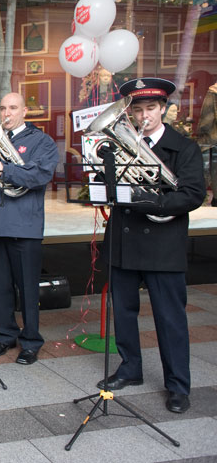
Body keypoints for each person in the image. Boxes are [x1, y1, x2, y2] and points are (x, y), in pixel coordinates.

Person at [97, 78, 206, 414]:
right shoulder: (118, 147)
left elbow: (192, 195)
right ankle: (131, 368)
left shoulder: (183, 148)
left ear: (163, 109)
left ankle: (177, 385)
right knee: (124, 313)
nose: (144, 115)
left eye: (150, 109)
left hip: (163, 244)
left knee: (170, 318)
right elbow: (104, 185)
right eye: (138, 109)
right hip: (123, 241)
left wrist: (149, 201)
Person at [0, 92, 59, 365]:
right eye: (3, 108)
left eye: (13, 108)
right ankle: (5, 335)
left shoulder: (41, 142)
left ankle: (31, 341)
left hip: (24, 224)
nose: (6, 113)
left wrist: (5, 170)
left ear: (24, 112)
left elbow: (41, 175)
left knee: (27, 287)